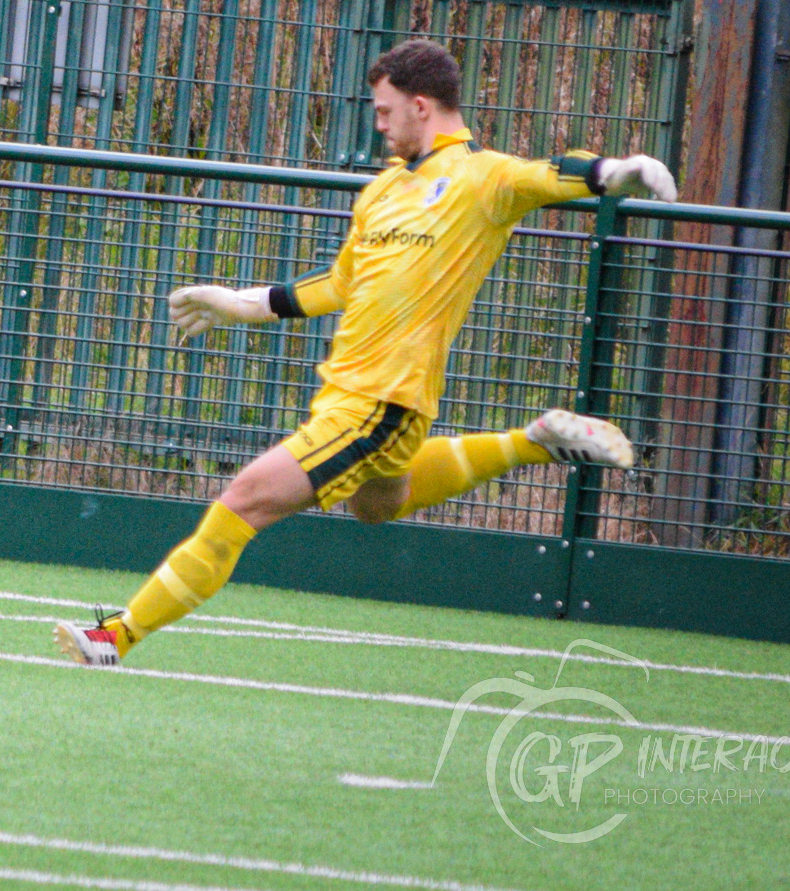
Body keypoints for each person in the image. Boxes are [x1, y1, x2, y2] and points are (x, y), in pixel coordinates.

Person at [54, 37, 677, 667]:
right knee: (379, 506)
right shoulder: (381, 191)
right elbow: (339, 284)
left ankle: (119, 635)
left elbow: (549, 174)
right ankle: (532, 442)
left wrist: (614, 173)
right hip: (357, 393)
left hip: (381, 400)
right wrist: (240, 303)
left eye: (385, 111)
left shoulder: (481, 177)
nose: (377, 124)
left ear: (422, 106)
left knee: (241, 502)